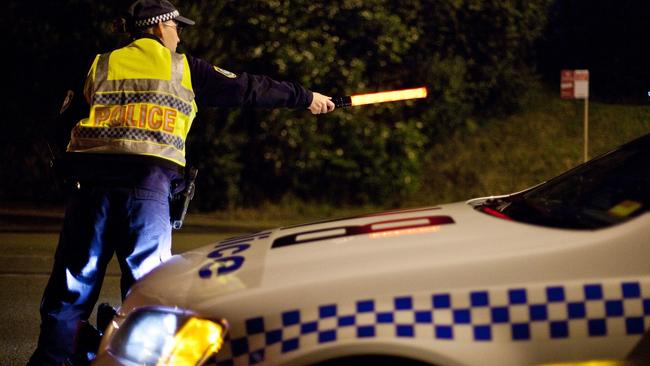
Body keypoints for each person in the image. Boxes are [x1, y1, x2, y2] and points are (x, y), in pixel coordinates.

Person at [28, 0, 335, 364]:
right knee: (151, 288)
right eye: (177, 28)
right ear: (159, 27)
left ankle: (51, 359)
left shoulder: (99, 64)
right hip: (147, 189)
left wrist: (66, 169)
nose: (179, 36)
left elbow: (61, 124)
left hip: (90, 189)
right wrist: (306, 97)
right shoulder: (186, 69)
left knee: (71, 287)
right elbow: (251, 88)